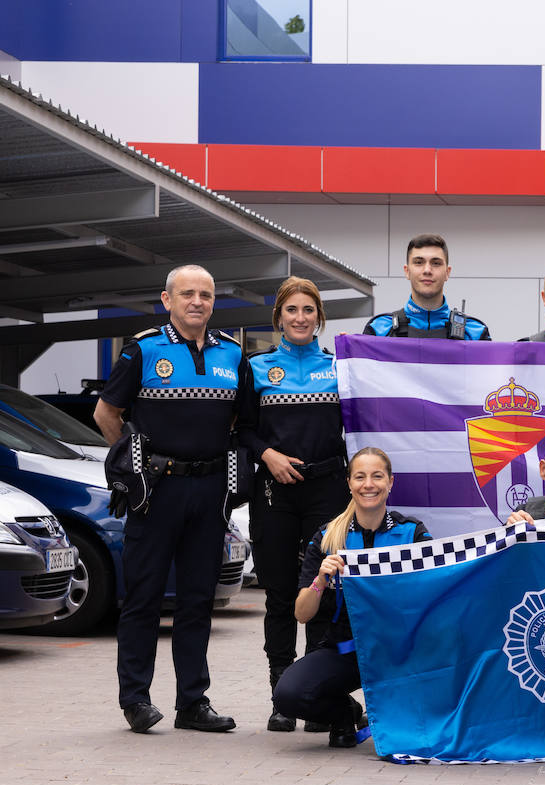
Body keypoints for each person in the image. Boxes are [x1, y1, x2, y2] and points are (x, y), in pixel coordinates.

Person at [93, 264, 248, 734]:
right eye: (187, 294)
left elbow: (243, 424)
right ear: (167, 299)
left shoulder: (233, 354)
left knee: (199, 600)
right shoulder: (143, 350)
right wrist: (133, 464)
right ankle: (136, 700)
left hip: (209, 491)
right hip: (155, 493)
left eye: (205, 294)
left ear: (213, 301)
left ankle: (192, 703)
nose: (197, 301)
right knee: (143, 598)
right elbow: (106, 412)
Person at [238, 276, 349, 732]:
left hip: (327, 491)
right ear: (278, 318)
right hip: (275, 494)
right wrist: (268, 454)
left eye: (308, 310)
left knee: (321, 596)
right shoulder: (257, 367)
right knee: (281, 596)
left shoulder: (341, 367)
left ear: (319, 316)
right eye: (291, 310)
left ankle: (314, 695)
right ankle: (283, 697)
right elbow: (242, 428)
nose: (300, 318)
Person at [274, 447, 432, 748]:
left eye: (377, 476)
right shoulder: (327, 536)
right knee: (288, 695)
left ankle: (399, 709)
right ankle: (345, 712)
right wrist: (321, 579)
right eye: (360, 477)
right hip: (346, 650)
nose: (368, 484)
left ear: (390, 482)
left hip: (399, 652)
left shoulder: (412, 534)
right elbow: (302, 614)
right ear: (349, 483)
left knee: (413, 732)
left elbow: (438, 588)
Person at [363, 234, 493, 340]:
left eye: (436, 263)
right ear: (407, 271)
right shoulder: (379, 330)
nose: (427, 270)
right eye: (419, 262)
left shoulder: (474, 333)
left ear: (447, 272)